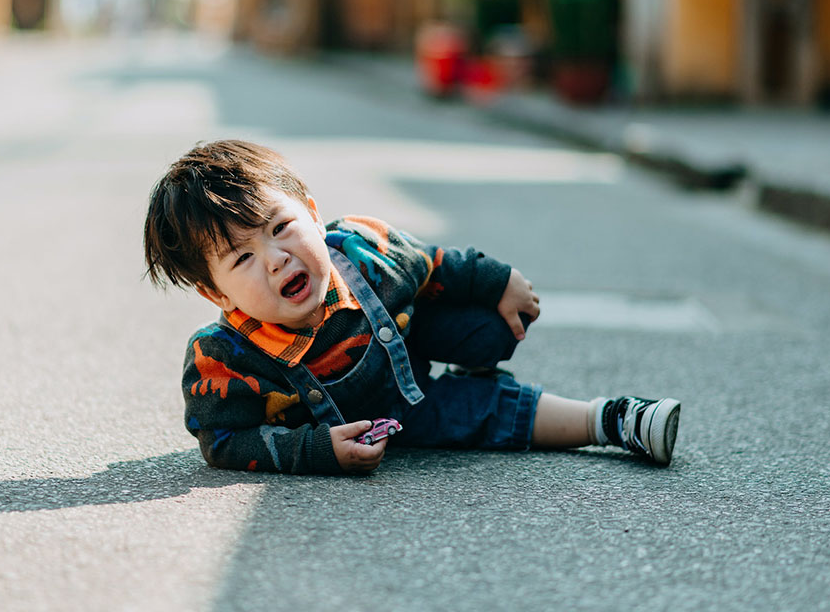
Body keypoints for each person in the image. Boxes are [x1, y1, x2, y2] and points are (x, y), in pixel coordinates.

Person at [143, 140, 681, 474]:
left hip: (407, 345)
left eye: (281, 228)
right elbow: (224, 441)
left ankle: (478, 357)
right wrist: (317, 451)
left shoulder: (361, 248)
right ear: (216, 294)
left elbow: (431, 262)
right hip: (397, 419)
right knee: (490, 410)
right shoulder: (223, 359)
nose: (277, 259)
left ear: (311, 212)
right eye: (242, 258)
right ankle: (611, 419)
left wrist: (499, 281)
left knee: (492, 324)